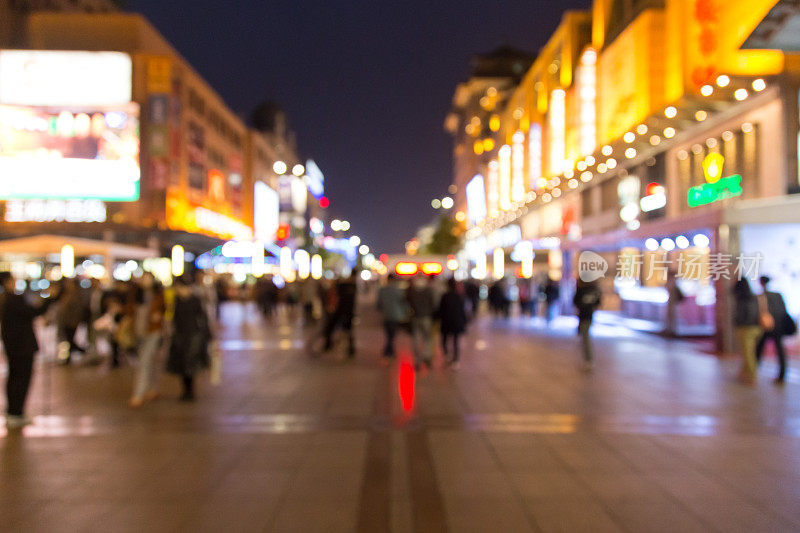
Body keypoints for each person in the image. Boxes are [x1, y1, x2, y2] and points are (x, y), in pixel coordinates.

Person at [0, 272, 55, 428]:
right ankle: (16, 412)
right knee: (20, 379)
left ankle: (14, 412)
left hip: (13, 345)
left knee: (14, 378)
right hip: (21, 346)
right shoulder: (13, 299)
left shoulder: (6, 299)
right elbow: (32, 312)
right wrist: (49, 299)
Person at [167, 275, 212, 401]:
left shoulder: (195, 300)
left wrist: (207, 335)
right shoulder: (176, 300)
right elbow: (173, 319)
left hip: (193, 336)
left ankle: (190, 391)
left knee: (190, 364)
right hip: (179, 336)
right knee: (181, 365)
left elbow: (203, 318)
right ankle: (185, 391)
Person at [130, 276, 166, 407]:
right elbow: (129, 310)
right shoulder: (136, 294)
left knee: (144, 362)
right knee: (148, 361)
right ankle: (152, 388)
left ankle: (138, 394)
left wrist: (159, 316)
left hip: (153, 331)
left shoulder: (158, 294)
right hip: (139, 332)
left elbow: (164, 309)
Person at [755, 276, 794, 385]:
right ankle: (782, 374)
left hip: (768, 326)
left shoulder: (761, 296)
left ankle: (753, 371)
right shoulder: (777, 295)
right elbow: (784, 310)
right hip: (779, 326)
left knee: (759, 349)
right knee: (779, 350)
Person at [732, 279, 761, 385]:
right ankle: (744, 372)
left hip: (746, 328)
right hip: (756, 327)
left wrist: (738, 322)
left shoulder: (743, 299)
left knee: (748, 352)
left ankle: (751, 375)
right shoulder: (753, 297)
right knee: (748, 351)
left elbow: (745, 314)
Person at [323, 270, 358, 357]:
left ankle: (328, 345)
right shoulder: (353, 286)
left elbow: (334, 291)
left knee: (330, 328)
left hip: (340, 312)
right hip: (348, 313)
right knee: (348, 331)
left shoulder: (345, 285)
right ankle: (350, 349)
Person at [407, 275, 435, 370]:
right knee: (428, 338)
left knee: (416, 339)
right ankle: (427, 356)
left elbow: (408, 302)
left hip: (415, 317)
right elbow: (433, 304)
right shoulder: (428, 291)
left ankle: (417, 360)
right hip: (426, 317)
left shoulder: (412, 291)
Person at [377, 274, 408, 361]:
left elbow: (379, 304)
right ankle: (389, 351)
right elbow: (404, 303)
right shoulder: (398, 291)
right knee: (392, 334)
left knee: (389, 334)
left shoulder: (382, 290)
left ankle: (388, 351)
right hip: (396, 315)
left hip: (386, 315)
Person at [55, 278, 86, 365]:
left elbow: (78, 310)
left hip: (71, 322)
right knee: (67, 340)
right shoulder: (66, 295)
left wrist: (75, 321)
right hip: (65, 321)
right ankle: (68, 357)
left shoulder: (76, 296)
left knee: (70, 340)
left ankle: (82, 350)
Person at [573, 278, 602, 371]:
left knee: (585, 337)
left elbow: (575, 301)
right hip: (589, 315)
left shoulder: (581, 290)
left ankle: (589, 359)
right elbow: (598, 302)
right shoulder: (594, 289)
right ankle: (588, 358)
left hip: (583, 316)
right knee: (585, 335)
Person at [438, 278, 468, 368]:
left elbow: (441, 310)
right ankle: (455, 359)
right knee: (455, 341)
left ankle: (447, 354)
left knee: (444, 339)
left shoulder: (445, 296)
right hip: (456, 321)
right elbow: (463, 310)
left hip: (446, 321)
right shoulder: (459, 296)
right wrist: (464, 321)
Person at [664, 268, 684, 337]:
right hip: (671, 302)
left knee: (672, 316)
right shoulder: (672, 282)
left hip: (673, 303)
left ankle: (672, 330)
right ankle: (670, 330)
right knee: (670, 316)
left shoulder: (673, 283)